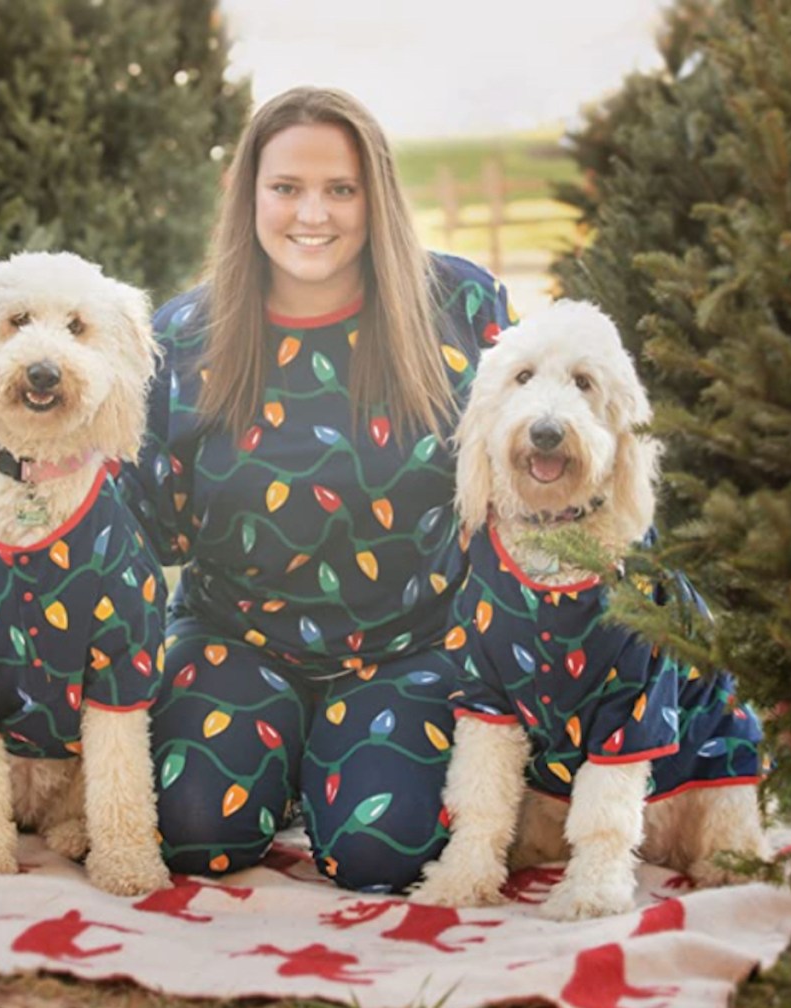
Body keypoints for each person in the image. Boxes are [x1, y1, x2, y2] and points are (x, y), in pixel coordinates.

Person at [120, 85, 516, 893]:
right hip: (235, 635)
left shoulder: (462, 306)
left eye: (341, 188)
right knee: (194, 833)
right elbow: (146, 531)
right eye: (287, 188)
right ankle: (281, 757)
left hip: (410, 644)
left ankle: (329, 773)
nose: (314, 213)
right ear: (250, 196)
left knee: (381, 854)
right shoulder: (182, 335)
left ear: (377, 196)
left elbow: (523, 479)